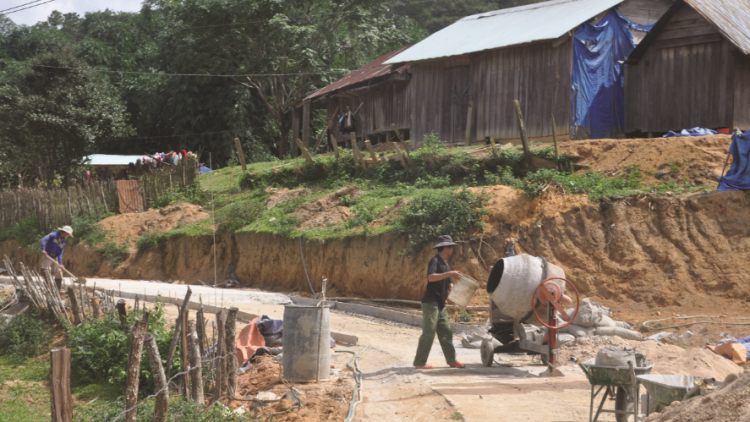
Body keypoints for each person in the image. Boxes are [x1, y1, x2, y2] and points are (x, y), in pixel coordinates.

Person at [413, 235, 466, 370]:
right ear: (446, 247)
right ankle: (420, 362)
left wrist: (452, 285)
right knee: (429, 332)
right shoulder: (435, 261)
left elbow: (450, 284)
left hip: (441, 304)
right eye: (451, 247)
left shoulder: (446, 264)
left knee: (446, 332)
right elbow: (431, 278)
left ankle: (452, 360)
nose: (452, 250)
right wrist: (449, 274)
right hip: (431, 302)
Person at [41, 226, 73, 290]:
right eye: (68, 234)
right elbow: (43, 240)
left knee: (59, 274)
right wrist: (43, 249)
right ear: (65, 232)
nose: (68, 235)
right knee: (45, 270)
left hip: (55, 257)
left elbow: (60, 253)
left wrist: (60, 263)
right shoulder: (53, 235)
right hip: (48, 256)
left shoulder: (63, 241)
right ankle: (49, 288)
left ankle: (57, 290)